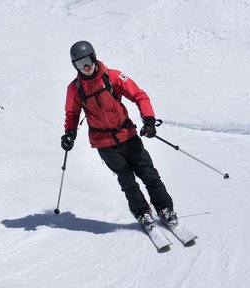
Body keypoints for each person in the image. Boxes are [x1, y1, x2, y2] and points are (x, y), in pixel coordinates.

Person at [61, 40, 178, 230]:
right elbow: (72, 114)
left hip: (127, 135)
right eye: (80, 64)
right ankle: (142, 212)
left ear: (94, 57)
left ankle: (165, 209)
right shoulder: (74, 88)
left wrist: (148, 120)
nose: (86, 67)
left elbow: (139, 95)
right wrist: (69, 133)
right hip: (104, 143)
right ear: (74, 66)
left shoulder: (113, 77)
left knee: (149, 174)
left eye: (88, 61)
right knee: (127, 180)